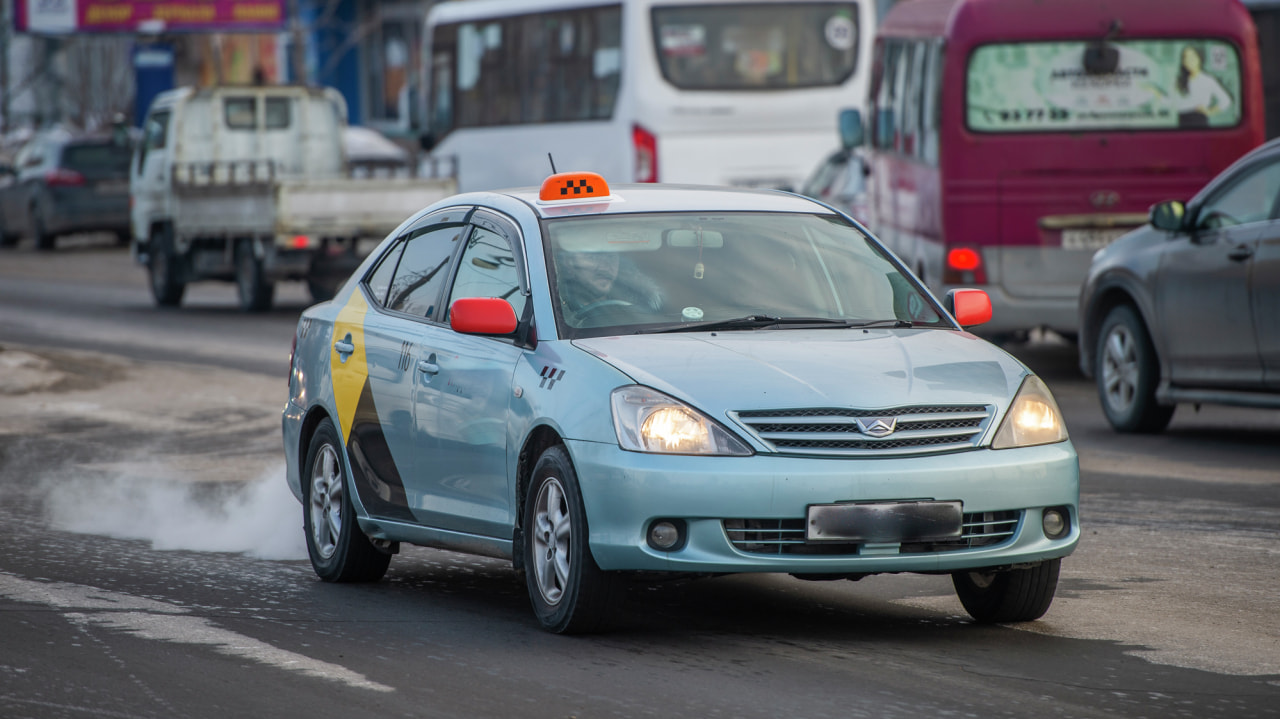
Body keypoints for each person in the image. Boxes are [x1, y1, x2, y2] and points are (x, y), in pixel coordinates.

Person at [555, 250, 662, 324]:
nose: (605, 266)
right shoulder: (554, 310)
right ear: (568, 263)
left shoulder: (649, 308)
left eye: (610, 256)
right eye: (592, 257)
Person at [1173, 45, 1231, 128]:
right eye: (1185, 57)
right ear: (1183, 61)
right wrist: (1154, 91)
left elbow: (1226, 101)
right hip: (1182, 122)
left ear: (1199, 58)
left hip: (1199, 121)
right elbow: (1172, 101)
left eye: (1192, 56)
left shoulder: (1208, 80)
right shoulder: (1179, 80)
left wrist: (1210, 111)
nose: (1188, 60)